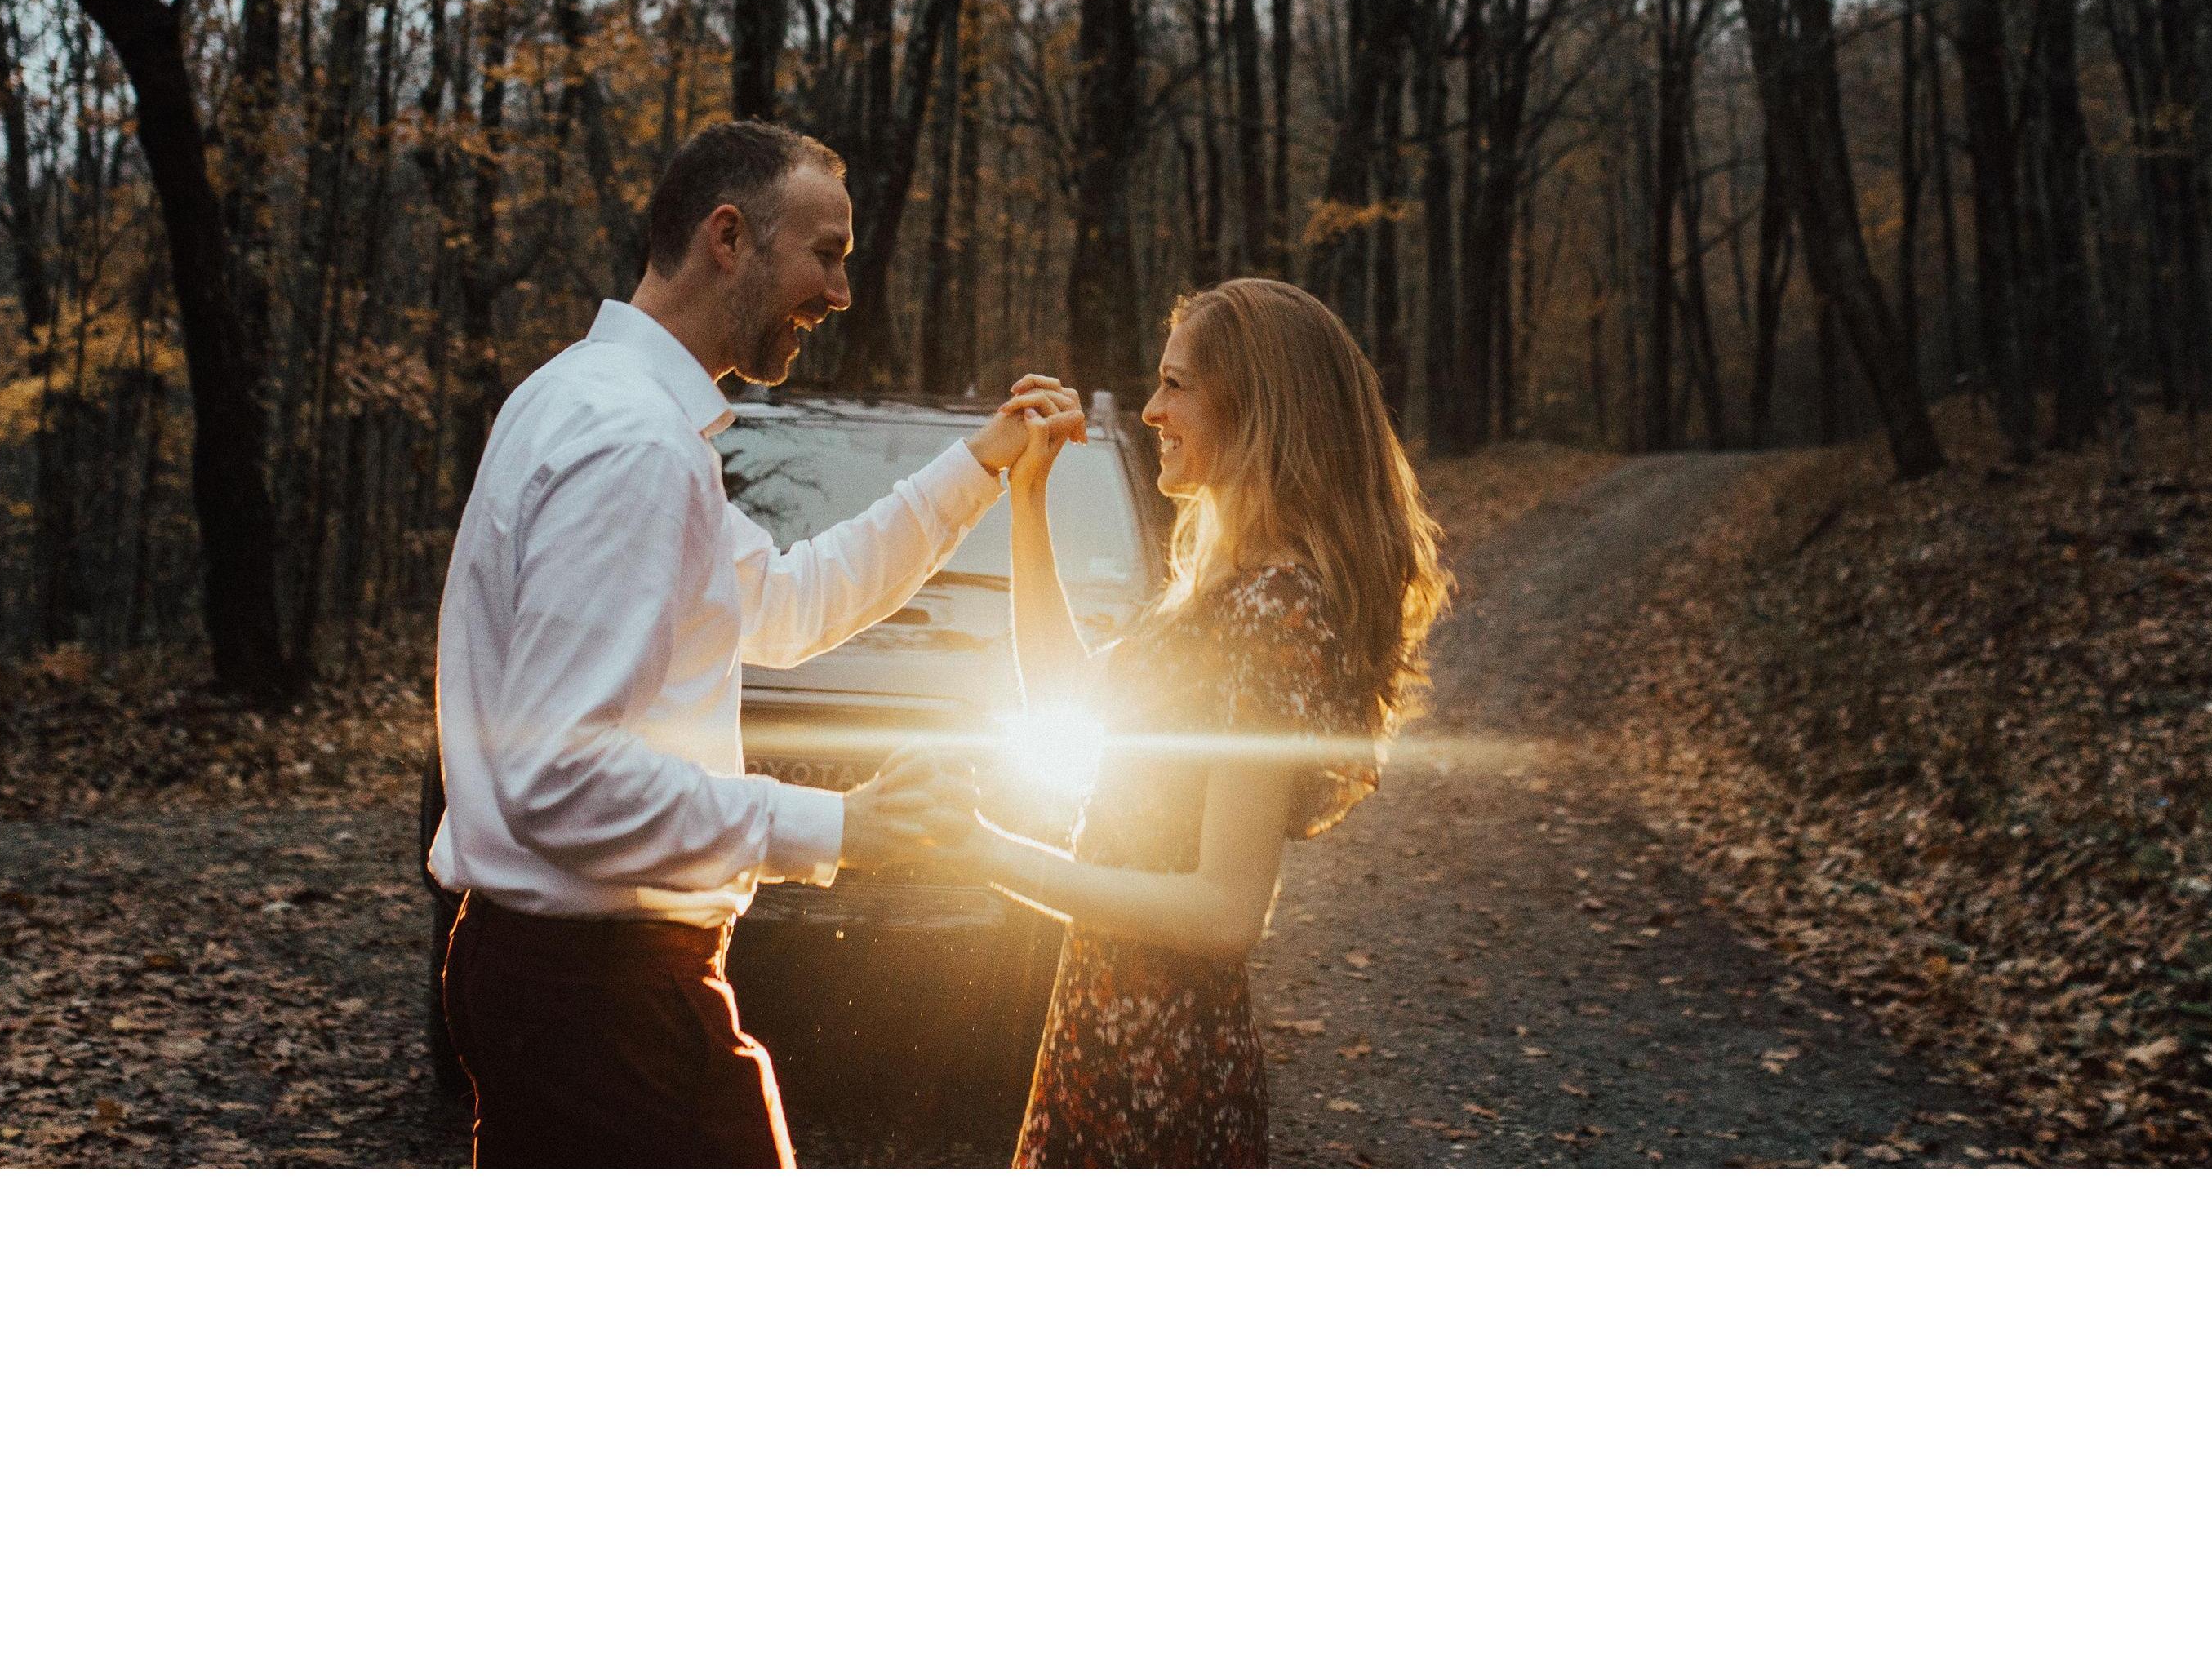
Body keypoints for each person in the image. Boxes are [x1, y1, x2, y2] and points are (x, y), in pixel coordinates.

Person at [429, 117, 1073, 1169]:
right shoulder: (630, 444)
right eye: (826, 254)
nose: (841, 294)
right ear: (728, 237)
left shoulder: (586, 402)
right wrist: (838, 824)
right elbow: (561, 776)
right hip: (607, 998)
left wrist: (980, 465)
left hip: (567, 984)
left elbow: (787, 602)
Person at [936, 276, 1452, 1168]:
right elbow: (1060, 689)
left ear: (1254, 408)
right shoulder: (1223, 596)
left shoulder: (1276, 611)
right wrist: (1028, 501)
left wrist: (992, 856)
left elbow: (1225, 911)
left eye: (1176, 385)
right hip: (1108, 1032)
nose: (1149, 410)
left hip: (1162, 1069)